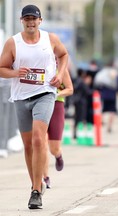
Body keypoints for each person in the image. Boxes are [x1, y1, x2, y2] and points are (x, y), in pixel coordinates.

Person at [0, 4, 68, 209]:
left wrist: (59, 75)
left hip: (45, 94)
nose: (31, 22)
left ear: (40, 21)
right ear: (22, 21)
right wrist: (16, 73)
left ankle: (36, 191)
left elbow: (64, 55)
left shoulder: (50, 39)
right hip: (21, 97)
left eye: (34, 19)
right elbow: (1, 68)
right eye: (27, 19)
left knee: (39, 140)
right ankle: (35, 183)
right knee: (28, 145)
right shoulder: (13, 43)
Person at [43, 68, 73, 188]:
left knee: (53, 148)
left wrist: (57, 94)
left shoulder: (60, 69)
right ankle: (45, 178)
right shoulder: (36, 65)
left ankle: (58, 156)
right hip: (40, 106)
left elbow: (70, 89)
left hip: (56, 105)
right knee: (42, 143)